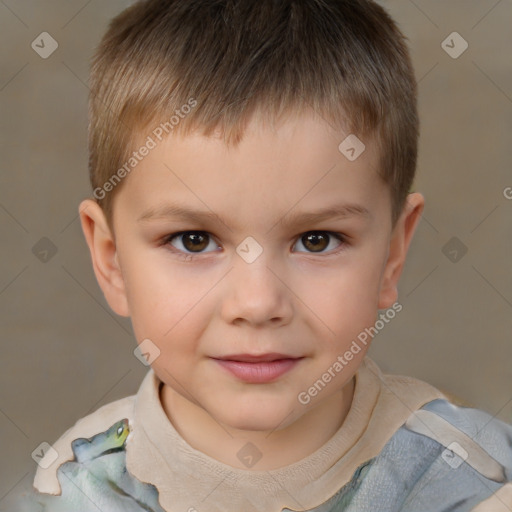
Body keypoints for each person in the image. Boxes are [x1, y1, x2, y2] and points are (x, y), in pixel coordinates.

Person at [12, 0, 512, 510]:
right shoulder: (74, 489)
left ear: (392, 253)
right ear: (111, 259)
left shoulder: (474, 482)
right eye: (194, 240)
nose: (256, 303)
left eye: (316, 240)